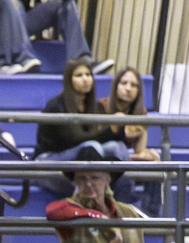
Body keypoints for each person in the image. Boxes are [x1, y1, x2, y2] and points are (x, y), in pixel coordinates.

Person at [35, 57, 140, 203]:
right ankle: (94, 193)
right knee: (92, 147)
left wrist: (120, 132)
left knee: (117, 147)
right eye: (79, 75)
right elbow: (77, 139)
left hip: (77, 162)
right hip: (47, 161)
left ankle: (123, 198)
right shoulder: (56, 106)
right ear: (69, 80)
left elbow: (105, 137)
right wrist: (111, 128)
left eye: (88, 75)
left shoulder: (95, 106)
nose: (85, 79)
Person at [106, 65, 163, 164]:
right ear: (116, 86)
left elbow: (139, 152)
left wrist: (149, 155)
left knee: (154, 158)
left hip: (121, 161)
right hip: (102, 157)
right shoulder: (102, 106)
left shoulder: (141, 113)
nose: (128, 88)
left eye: (133, 85)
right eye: (124, 83)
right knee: (117, 147)